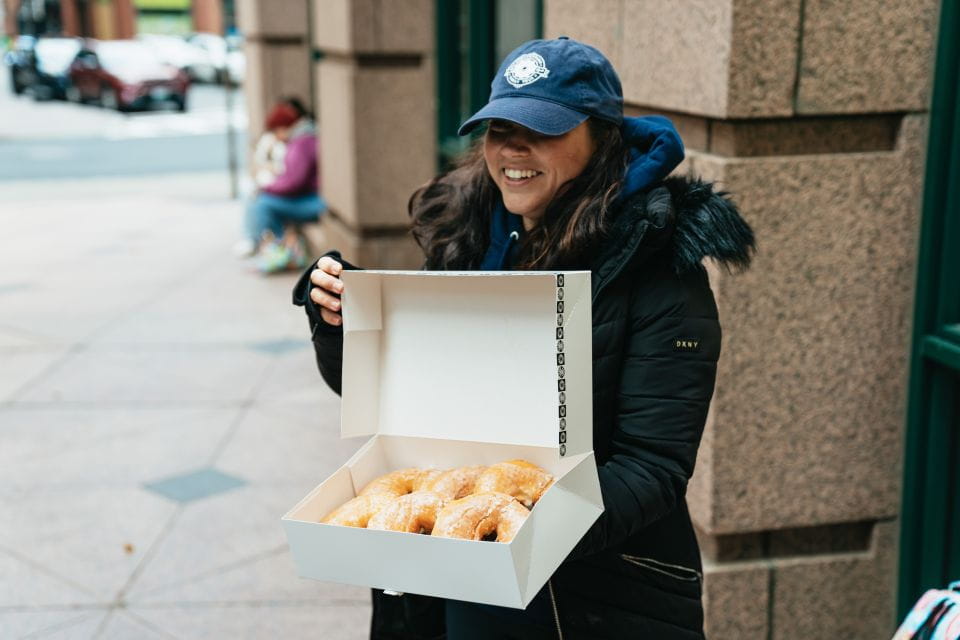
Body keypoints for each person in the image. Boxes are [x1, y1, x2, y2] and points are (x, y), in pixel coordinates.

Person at [293, 37, 755, 639]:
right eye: (499, 127)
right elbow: (399, 409)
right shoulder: (466, 238)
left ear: (601, 139)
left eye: (544, 130)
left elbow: (653, 466)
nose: (513, 148)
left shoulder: (659, 269)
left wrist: (519, 529)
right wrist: (339, 326)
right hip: (453, 574)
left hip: (593, 590)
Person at [238, 97, 326, 273]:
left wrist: (268, 187)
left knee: (262, 204)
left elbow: (294, 182)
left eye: (275, 131)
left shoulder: (303, 142)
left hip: (315, 201)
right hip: (309, 197)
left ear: (283, 127)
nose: (276, 137)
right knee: (261, 201)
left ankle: (273, 251)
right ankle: (272, 249)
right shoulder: (301, 139)